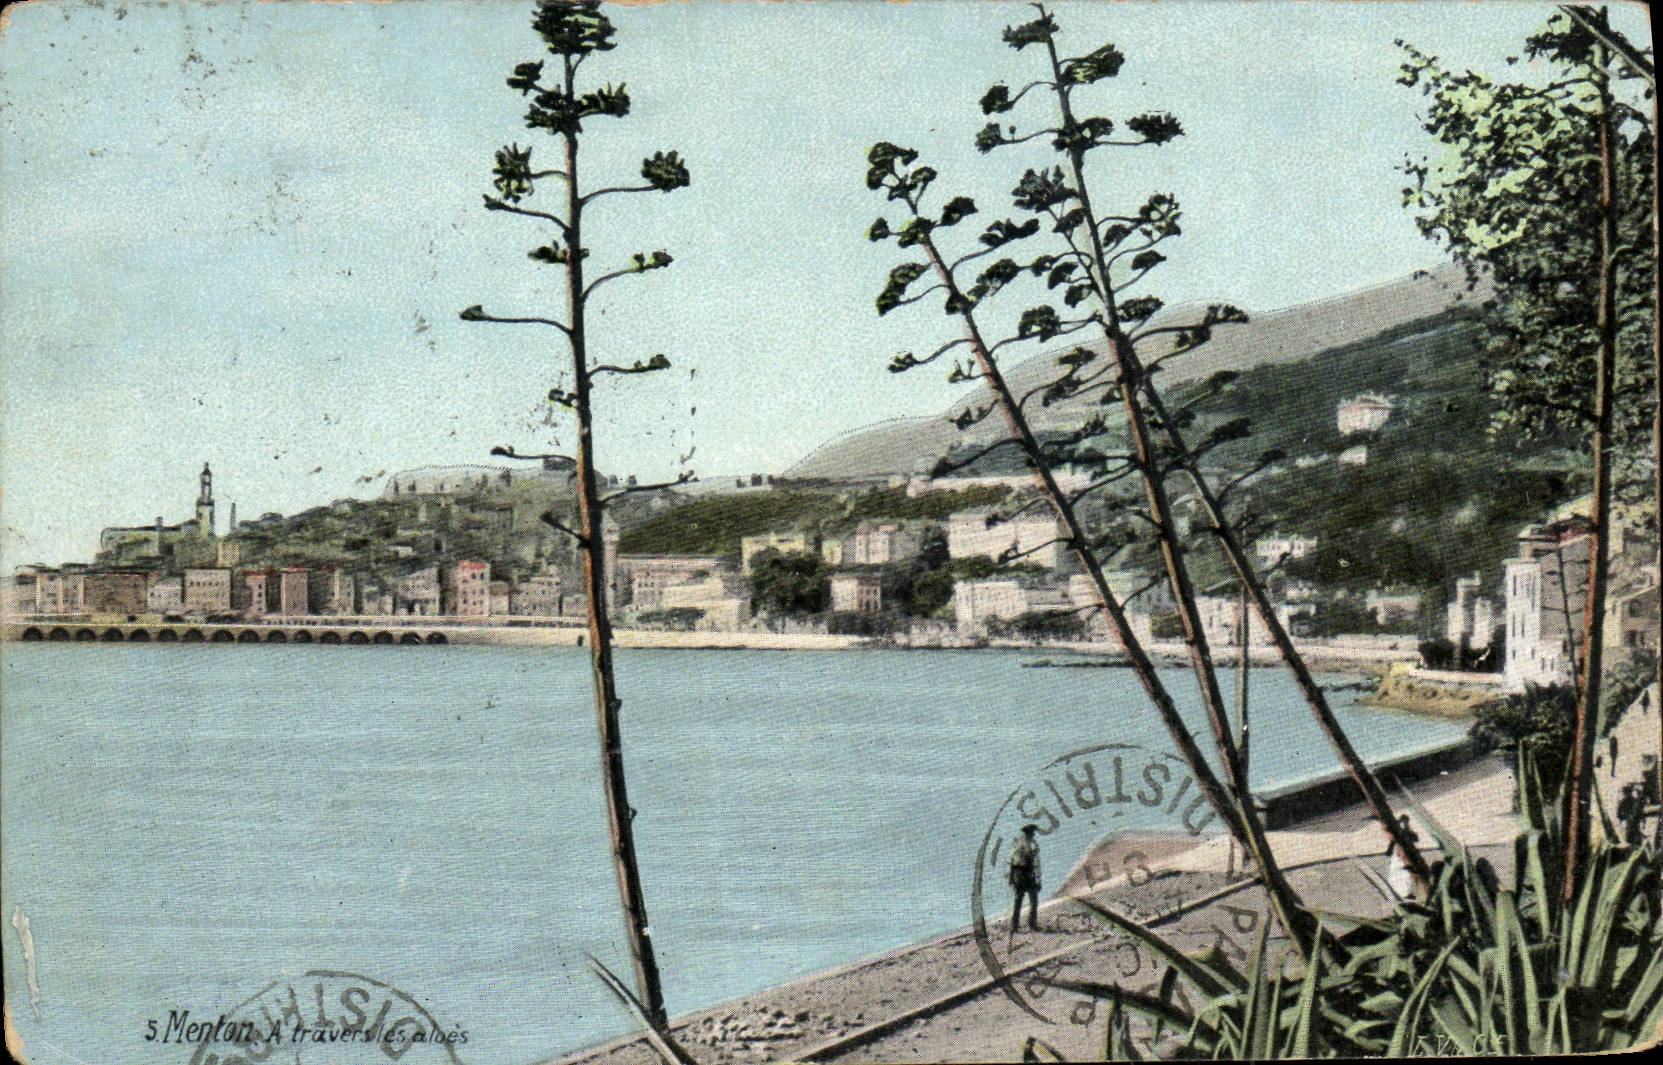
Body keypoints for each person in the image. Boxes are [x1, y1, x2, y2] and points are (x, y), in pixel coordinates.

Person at [1008, 824, 1042, 933]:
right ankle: (1030, 924)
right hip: (1025, 875)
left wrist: (1011, 878)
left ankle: (1015, 925)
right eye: (1032, 833)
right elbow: (1033, 863)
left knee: (1019, 901)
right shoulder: (1027, 845)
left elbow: (1012, 863)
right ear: (1029, 833)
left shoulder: (1019, 844)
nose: (1033, 835)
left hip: (1020, 876)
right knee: (1031, 901)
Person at [1385, 814, 1420, 900]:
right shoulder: (1402, 834)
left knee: (1406, 874)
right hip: (1400, 857)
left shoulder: (1401, 834)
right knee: (1406, 874)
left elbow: (1389, 852)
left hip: (1400, 858)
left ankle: (1405, 894)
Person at [1617, 782, 1645, 847]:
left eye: (1628, 791)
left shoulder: (1634, 801)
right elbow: (1619, 815)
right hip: (1628, 824)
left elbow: (1640, 813)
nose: (1627, 793)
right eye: (1626, 792)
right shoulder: (1623, 802)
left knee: (1635, 838)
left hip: (1634, 823)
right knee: (1629, 839)